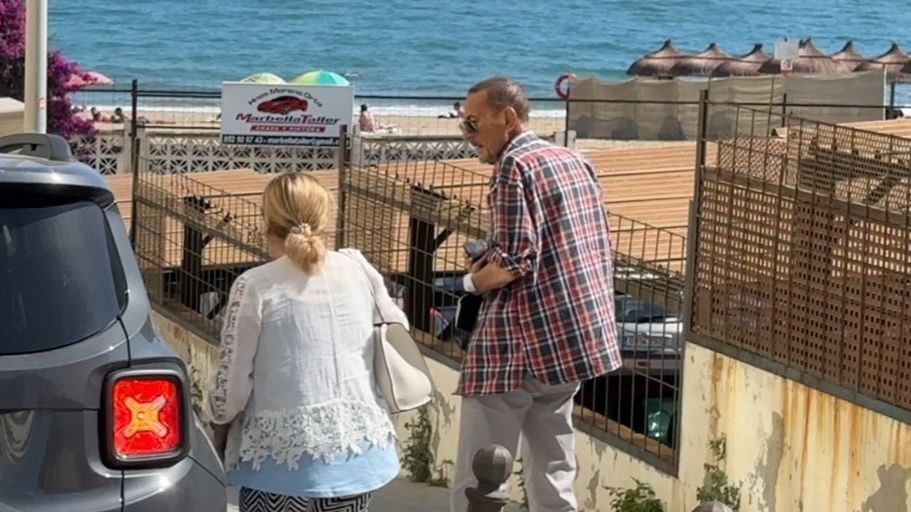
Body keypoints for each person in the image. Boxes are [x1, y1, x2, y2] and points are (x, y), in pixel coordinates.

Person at [451, 76, 621, 512]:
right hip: (573, 338)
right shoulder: (572, 159)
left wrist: (470, 283)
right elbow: (569, 241)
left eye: (472, 124)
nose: (467, 136)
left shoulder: (513, 167)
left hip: (518, 342)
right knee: (554, 466)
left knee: (482, 472)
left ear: (506, 119)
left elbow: (514, 261)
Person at [207, 173, 406, 512]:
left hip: (281, 463)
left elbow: (233, 385)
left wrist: (217, 418)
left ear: (267, 222)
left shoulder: (255, 285)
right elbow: (397, 330)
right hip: (358, 453)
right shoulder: (357, 268)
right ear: (325, 216)